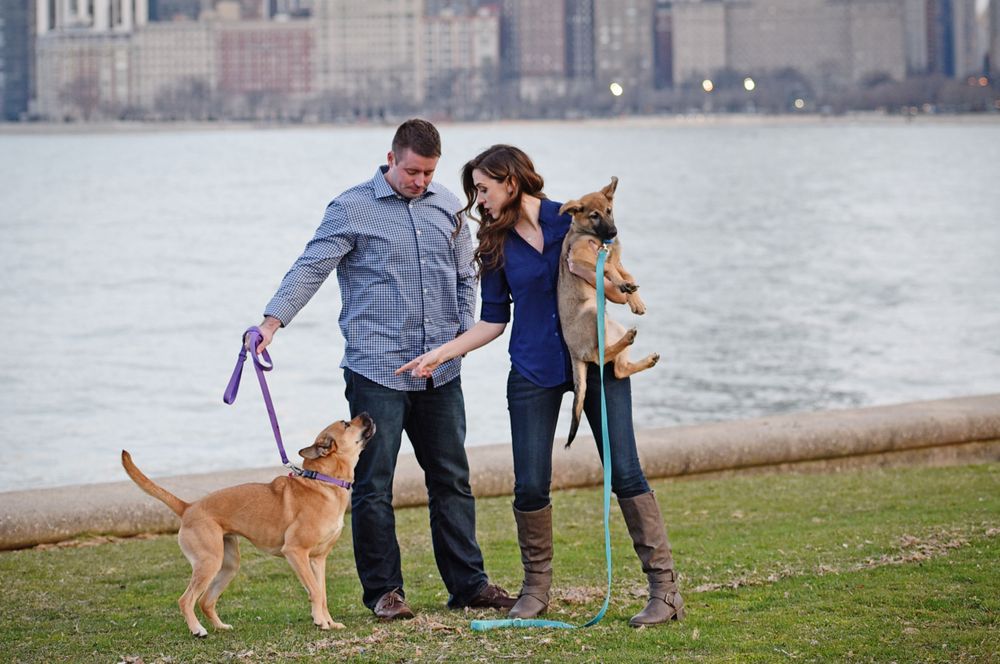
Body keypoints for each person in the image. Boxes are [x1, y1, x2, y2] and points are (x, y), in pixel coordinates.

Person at [397, 144, 684, 627]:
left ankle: (665, 591)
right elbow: (492, 321)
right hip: (532, 368)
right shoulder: (493, 244)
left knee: (626, 471)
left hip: (593, 357)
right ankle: (535, 591)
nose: (479, 200)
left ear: (511, 181)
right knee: (530, 483)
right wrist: (441, 353)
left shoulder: (572, 217)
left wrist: (587, 272)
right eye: (475, 192)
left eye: (484, 189)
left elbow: (618, 287)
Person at [250, 120, 514, 622]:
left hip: (441, 370)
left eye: (429, 172)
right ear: (391, 159)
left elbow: (465, 279)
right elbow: (310, 267)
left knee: (452, 479)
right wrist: (270, 323)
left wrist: (458, 341)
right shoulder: (351, 207)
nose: (421, 181)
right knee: (373, 485)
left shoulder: (448, 209)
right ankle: (384, 593)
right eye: (413, 171)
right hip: (377, 370)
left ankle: (469, 584)